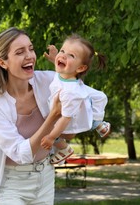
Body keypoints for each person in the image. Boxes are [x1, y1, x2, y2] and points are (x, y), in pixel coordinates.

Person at [0, 27, 62, 205]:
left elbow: (80, 94)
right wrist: (52, 117)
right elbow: (20, 153)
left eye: (31, 49)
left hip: (45, 178)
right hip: (12, 185)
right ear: (3, 62)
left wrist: (63, 68)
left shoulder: (47, 81)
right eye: (20, 52)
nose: (29, 56)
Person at [41, 34, 110, 164]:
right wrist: (55, 57)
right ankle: (97, 123)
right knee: (98, 96)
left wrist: (51, 137)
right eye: (62, 51)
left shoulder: (70, 92)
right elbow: (63, 65)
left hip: (67, 122)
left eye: (71, 55)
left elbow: (65, 119)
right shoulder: (64, 74)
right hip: (69, 104)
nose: (62, 56)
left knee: (45, 127)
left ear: (80, 68)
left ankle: (64, 149)